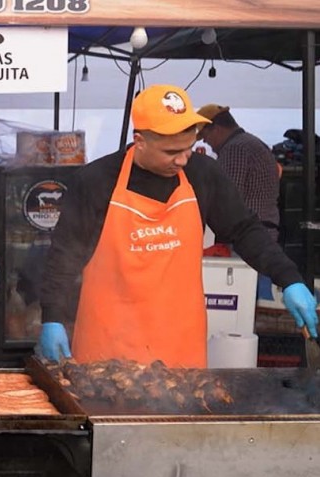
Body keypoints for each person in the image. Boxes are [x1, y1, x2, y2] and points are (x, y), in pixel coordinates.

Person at [38, 84, 318, 366]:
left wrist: (289, 279)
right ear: (140, 141)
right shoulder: (96, 180)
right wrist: (52, 317)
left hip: (179, 343)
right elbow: (64, 256)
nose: (183, 159)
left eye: (188, 148)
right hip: (109, 344)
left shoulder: (202, 173)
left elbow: (244, 230)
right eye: (172, 151)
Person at [196, 103, 282, 300]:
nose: (208, 144)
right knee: (258, 293)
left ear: (216, 129)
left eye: (206, 137)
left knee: (248, 296)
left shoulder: (235, 149)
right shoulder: (252, 142)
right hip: (263, 229)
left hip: (248, 235)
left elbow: (225, 198)